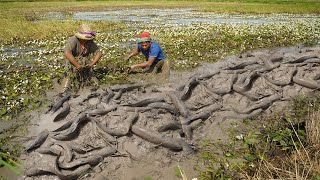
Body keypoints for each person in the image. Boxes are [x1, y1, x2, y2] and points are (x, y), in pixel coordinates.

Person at [63, 24, 102, 92]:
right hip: (72, 64)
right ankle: (64, 89)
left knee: (93, 81)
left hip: (85, 64)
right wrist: (78, 65)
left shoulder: (90, 42)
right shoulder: (73, 41)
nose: (86, 40)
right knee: (69, 79)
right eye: (84, 38)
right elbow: (67, 53)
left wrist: (91, 64)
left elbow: (99, 53)